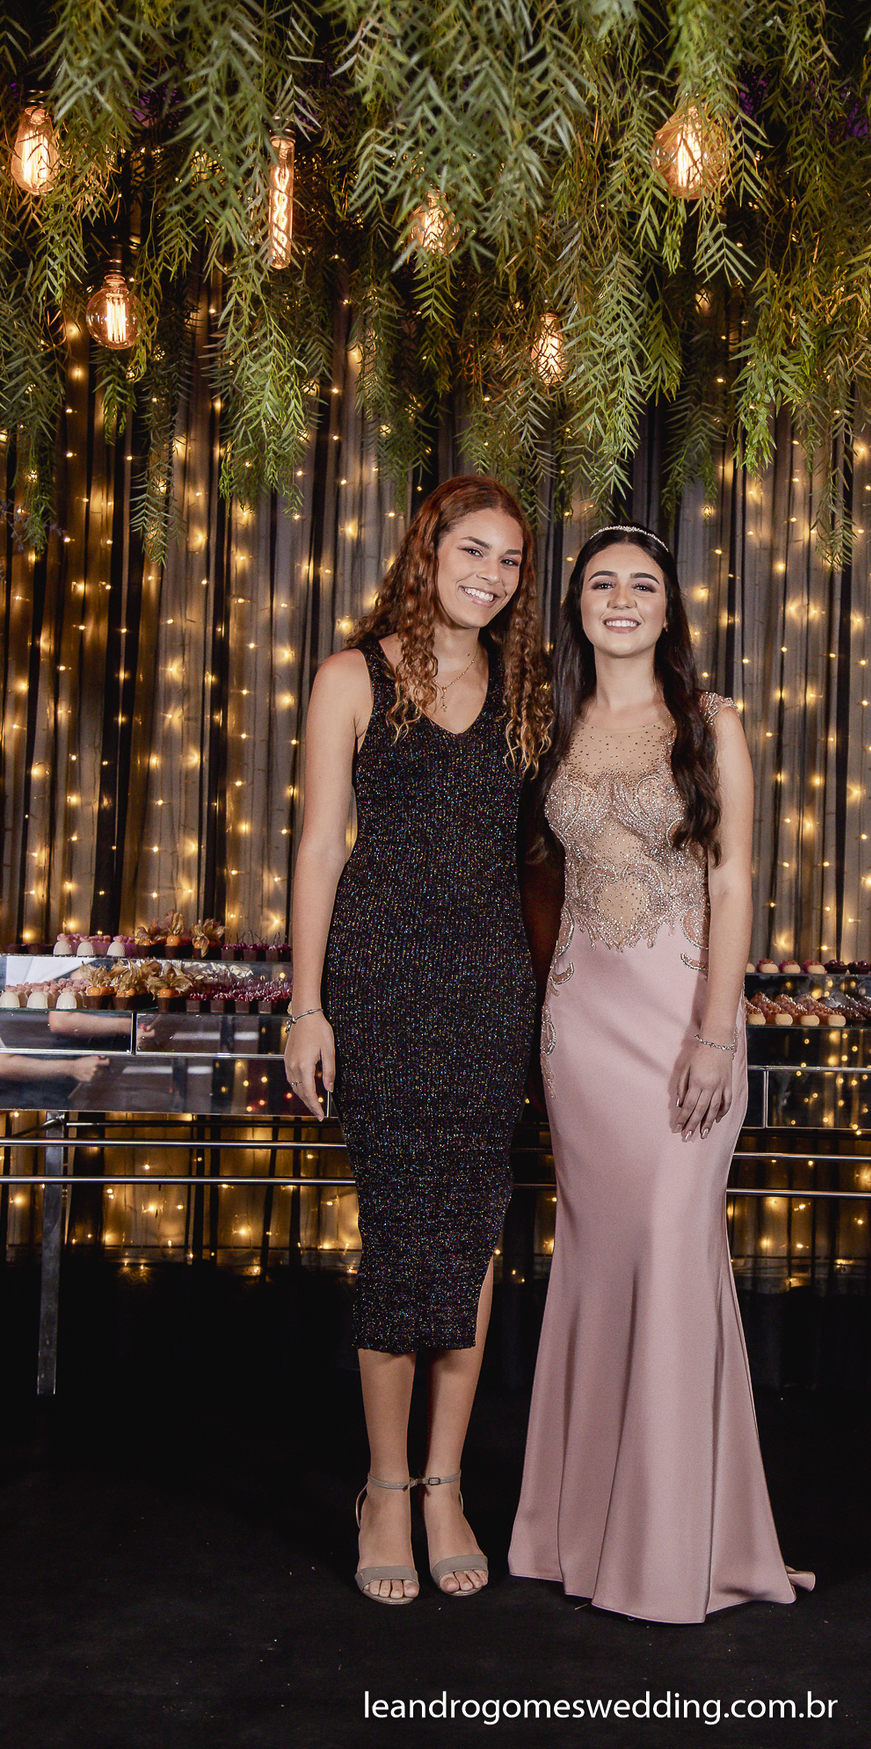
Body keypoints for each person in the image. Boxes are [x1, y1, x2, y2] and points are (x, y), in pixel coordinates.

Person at [508, 525, 812, 1623]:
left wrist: (717, 1032)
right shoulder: (548, 724)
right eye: (602, 584)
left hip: (687, 1020)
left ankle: (681, 1547)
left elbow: (733, 881)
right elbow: (536, 876)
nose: (622, 599)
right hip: (581, 1028)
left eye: (643, 583)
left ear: (670, 607)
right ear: (577, 607)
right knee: (597, 1268)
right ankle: (576, 1533)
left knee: (677, 1257)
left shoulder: (712, 722)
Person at [284, 475, 550, 1605]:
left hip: (491, 986)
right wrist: (306, 1005)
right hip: (380, 980)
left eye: (510, 561)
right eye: (473, 551)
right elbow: (318, 848)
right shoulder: (353, 676)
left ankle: (447, 1482)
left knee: (472, 1232)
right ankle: (385, 1488)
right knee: (399, 1230)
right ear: (429, 549)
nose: (491, 576)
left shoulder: (527, 689)